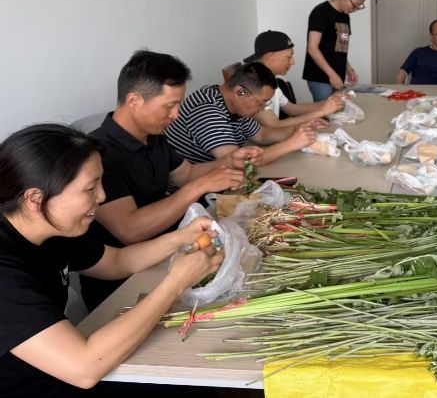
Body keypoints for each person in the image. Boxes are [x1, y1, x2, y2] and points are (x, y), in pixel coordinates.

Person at [0, 124, 223, 397]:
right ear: (35, 198)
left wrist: (180, 237)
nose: (102, 196)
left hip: (63, 364)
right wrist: (175, 283)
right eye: (89, 188)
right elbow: (84, 369)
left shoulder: (52, 227)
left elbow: (117, 262)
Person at [81, 50, 256, 311]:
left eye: (178, 105)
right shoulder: (98, 154)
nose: (176, 114)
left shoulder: (153, 136)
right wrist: (199, 186)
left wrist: (227, 162)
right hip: (123, 279)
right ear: (134, 100)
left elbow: (185, 174)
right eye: (169, 106)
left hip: (168, 251)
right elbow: (130, 230)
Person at [165, 62, 316, 166]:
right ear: (239, 92)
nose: (262, 109)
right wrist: (291, 144)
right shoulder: (207, 110)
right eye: (261, 102)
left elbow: (262, 134)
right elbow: (241, 162)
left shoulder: (233, 105)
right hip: (192, 195)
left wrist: (296, 131)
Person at [242, 30, 343, 128]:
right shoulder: (253, 83)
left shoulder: (269, 79)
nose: (292, 62)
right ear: (269, 57)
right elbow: (274, 125)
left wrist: (329, 102)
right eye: (289, 57)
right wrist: (322, 111)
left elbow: (292, 109)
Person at [303, 0, 368, 102]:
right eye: (355, 5)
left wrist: (349, 68)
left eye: (359, 7)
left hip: (336, 76)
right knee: (326, 112)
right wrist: (331, 73)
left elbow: (339, 48)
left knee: (339, 112)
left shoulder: (345, 16)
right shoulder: (320, 12)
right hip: (321, 77)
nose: (355, 10)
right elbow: (312, 48)